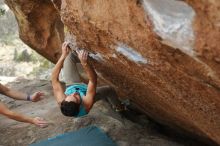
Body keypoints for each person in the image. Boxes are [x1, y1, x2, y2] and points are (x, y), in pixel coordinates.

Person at [52, 42, 123, 117]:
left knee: (69, 57)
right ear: (80, 105)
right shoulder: (86, 104)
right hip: (86, 92)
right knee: (109, 90)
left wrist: (63, 55)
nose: (74, 93)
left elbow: (54, 79)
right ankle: (119, 107)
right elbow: (93, 80)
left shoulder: (62, 100)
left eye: (68, 96)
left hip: (71, 85)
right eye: (76, 97)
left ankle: (82, 55)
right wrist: (84, 63)